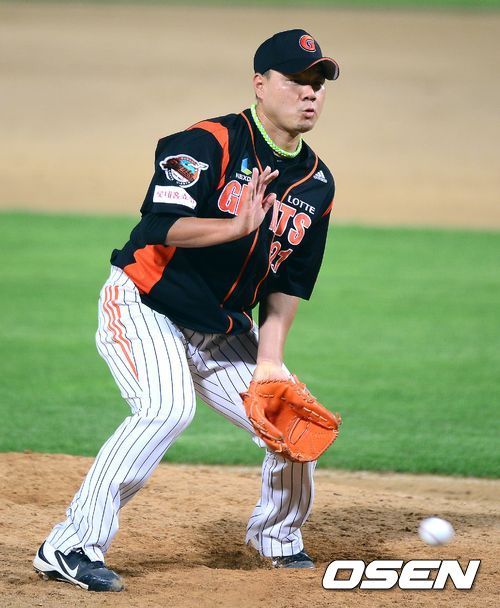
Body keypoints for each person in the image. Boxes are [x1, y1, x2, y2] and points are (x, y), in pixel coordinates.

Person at [33, 29, 340, 592]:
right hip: (146, 302)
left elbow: (289, 280)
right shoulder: (208, 143)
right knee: (166, 409)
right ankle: (69, 545)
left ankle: (276, 538)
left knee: (292, 422)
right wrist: (235, 226)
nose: (310, 93)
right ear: (260, 84)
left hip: (221, 327)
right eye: (297, 80)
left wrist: (270, 362)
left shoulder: (317, 183)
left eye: (318, 83)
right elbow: (159, 224)